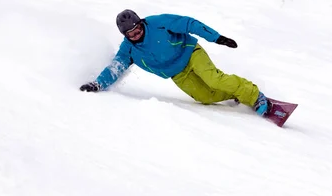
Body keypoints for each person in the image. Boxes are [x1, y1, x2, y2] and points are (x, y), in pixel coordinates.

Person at [79, 10, 271, 116]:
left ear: (141, 23)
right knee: (205, 96)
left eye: (138, 29)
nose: (137, 34)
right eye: (132, 34)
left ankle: (255, 96)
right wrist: (98, 84)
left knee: (214, 79)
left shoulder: (158, 22)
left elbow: (188, 23)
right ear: (125, 35)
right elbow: (115, 68)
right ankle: (236, 92)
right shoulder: (128, 50)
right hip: (177, 72)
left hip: (190, 53)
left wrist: (216, 37)